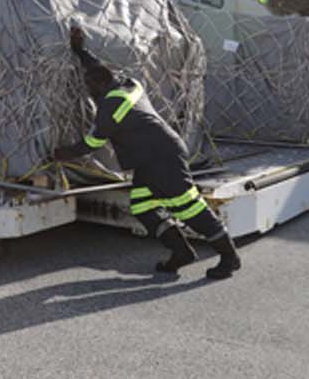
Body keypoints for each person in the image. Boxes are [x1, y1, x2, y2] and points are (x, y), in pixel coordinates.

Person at [52, 26, 241, 279]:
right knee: (143, 206)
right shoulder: (125, 83)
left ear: (99, 87)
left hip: (162, 159)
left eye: (90, 89)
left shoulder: (110, 108)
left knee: (189, 208)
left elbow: (90, 145)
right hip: (152, 158)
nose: (88, 93)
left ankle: (230, 257)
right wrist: (80, 51)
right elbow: (97, 68)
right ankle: (181, 252)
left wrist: (58, 154)